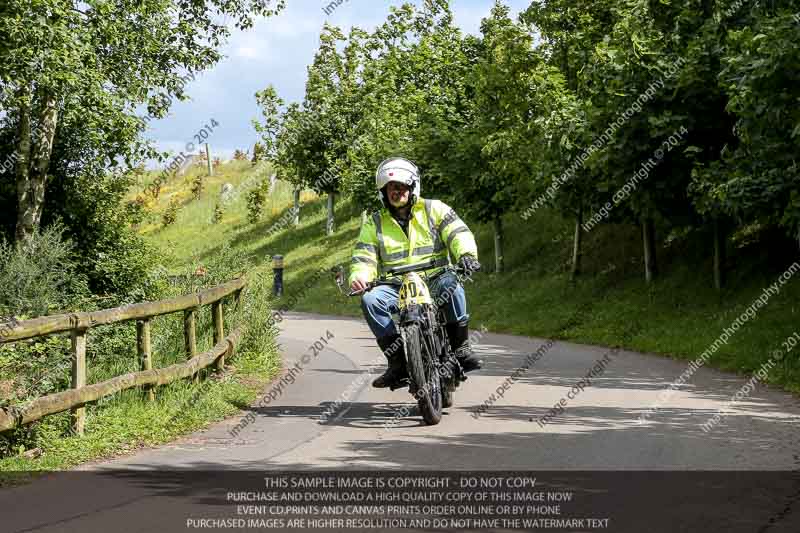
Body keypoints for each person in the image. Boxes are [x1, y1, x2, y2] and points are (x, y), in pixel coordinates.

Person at [348, 156, 483, 388]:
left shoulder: (435, 209)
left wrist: (467, 256)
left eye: (401, 186)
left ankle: (461, 350)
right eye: (391, 187)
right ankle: (397, 364)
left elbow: (458, 233)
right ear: (383, 191)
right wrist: (360, 277)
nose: (396, 191)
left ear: (412, 187)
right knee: (370, 300)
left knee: (453, 286)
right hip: (395, 286)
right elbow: (364, 255)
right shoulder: (374, 223)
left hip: (435, 279)